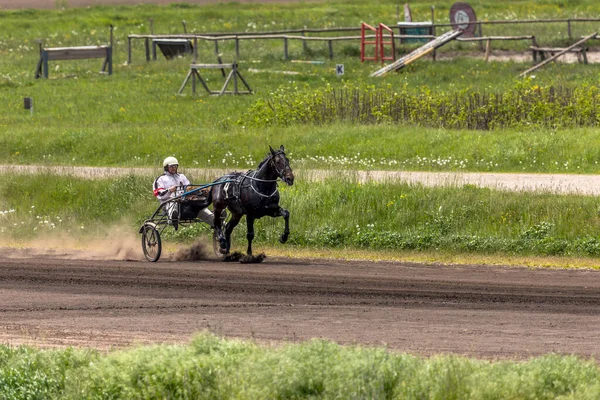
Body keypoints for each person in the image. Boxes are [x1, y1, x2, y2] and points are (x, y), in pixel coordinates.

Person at [153, 156, 214, 230]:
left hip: (185, 202)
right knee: (173, 203)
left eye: (175, 166)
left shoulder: (181, 176)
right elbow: (159, 194)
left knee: (200, 206)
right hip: (168, 202)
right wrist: (169, 190)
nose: (174, 168)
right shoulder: (160, 179)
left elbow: (189, 187)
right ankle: (172, 218)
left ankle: (215, 220)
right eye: (171, 166)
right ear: (166, 167)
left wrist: (198, 191)